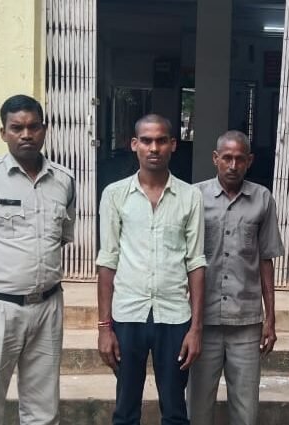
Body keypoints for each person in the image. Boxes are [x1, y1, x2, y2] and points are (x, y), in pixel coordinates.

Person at [0, 94, 75, 425]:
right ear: (3, 132)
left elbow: (60, 240)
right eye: (17, 128)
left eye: (33, 127)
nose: (26, 135)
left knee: (43, 411)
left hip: (48, 307)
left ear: (44, 130)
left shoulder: (64, 181)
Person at [95, 114, 206, 425]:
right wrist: (104, 328)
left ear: (173, 144)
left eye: (161, 140)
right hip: (128, 314)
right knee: (125, 411)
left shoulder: (190, 197)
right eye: (146, 140)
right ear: (134, 144)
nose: (153, 148)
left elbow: (196, 263)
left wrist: (196, 329)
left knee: (175, 412)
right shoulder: (115, 194)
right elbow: (107, 261)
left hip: (174, 317)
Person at [188, 130, 285, 425]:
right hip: (202, 322)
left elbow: (266, 260)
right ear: (215, 158)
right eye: (227, 158)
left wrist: (270, 318)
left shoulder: (262, 199)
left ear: (249, 161)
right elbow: (184, 259)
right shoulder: (194, 197)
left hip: (246, 322)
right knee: (197, 406)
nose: (233, 165)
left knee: (245, 409)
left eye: (240, 159)